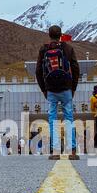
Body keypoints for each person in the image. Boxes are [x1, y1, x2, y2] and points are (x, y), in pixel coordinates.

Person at [36, 25, 80, 160]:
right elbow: (75, 68)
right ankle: (72, 151)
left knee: (52, 119)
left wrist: (44, 89)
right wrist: (73, 88)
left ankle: (55, 151)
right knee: (69, 118)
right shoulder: (68, 48)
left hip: (51, 89)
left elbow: (38, 71)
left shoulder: (44, 49)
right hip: (66, 88)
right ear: (61, 35)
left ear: (49, 35)